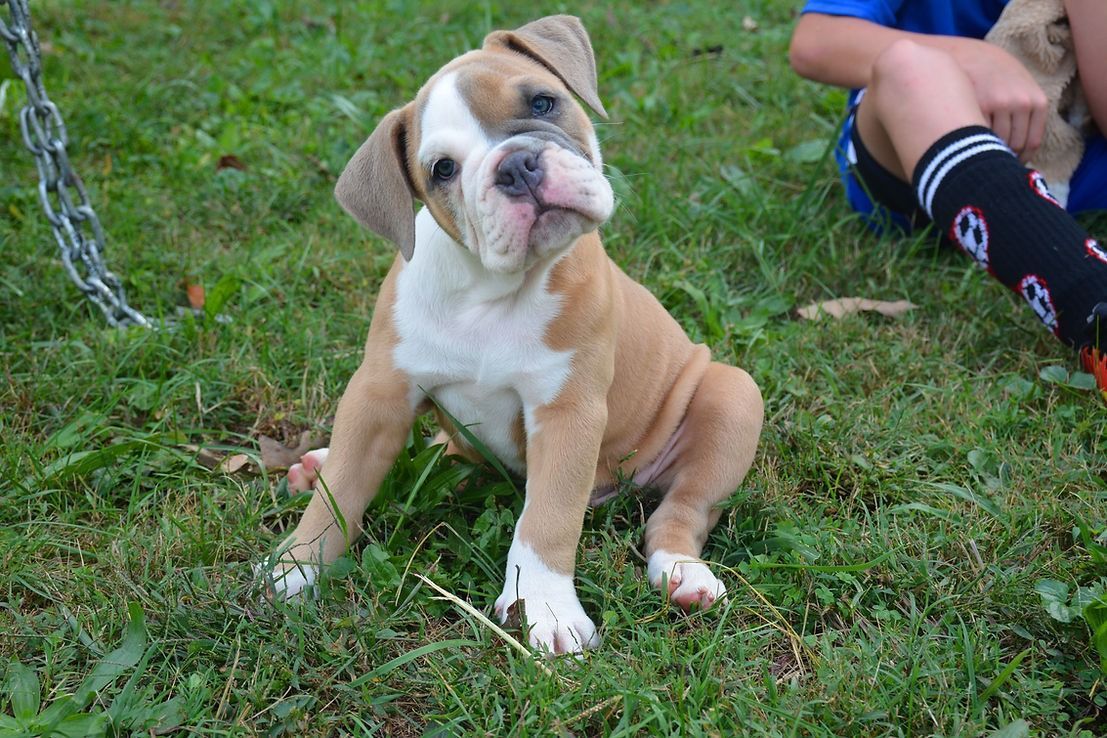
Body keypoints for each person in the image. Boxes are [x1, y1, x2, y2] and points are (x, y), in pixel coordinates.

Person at [789, 0, 1107, 403]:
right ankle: (1094, 307)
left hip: (1083, 167)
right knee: (910, 66)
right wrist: (975, 58)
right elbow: (816, 41)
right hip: (916, 155)